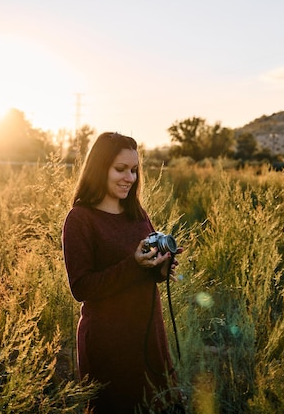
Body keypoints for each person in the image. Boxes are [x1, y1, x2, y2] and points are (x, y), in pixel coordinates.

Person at [62, 132, 184, 413]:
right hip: (108, 343)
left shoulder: (137, 213)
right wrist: (133, 265)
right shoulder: (80, 219)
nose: (129, 177)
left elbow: (145, 271)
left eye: (133, 170)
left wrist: (162, 267)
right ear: (99, 167)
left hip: (149, 335)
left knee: (158, 405)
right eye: (120, 169)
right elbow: (81, 287)